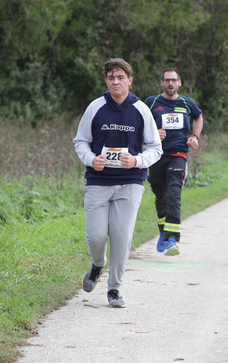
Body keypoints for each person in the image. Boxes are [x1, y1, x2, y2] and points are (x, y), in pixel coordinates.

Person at [73, 58, 162, 308]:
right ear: (106, 81)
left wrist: (137, 161)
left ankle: (114, 289)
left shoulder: (141, 110)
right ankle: (98, 264)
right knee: (96, 237)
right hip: (98, 181)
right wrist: (91, 159)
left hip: (130, 182)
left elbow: (155, 148)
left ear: (129, 80)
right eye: (111, 77)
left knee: (121, 238)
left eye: (120, 77)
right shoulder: (95, 107)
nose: (116, 82)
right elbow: (81, 141)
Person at [145, 68, 203, 256]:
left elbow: (198, 116)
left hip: (178, 155)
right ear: (162, 83)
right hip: (156, 155)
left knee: (173, 194)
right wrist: (153, 133)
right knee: (161, 196)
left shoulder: (187, 103)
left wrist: (195, 136)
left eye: (174, 80)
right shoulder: (151, 102)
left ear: (179, 83)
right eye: (167, 80)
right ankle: (163, 232)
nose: (170, 83)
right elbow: (140, 123)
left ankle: (172, 239)